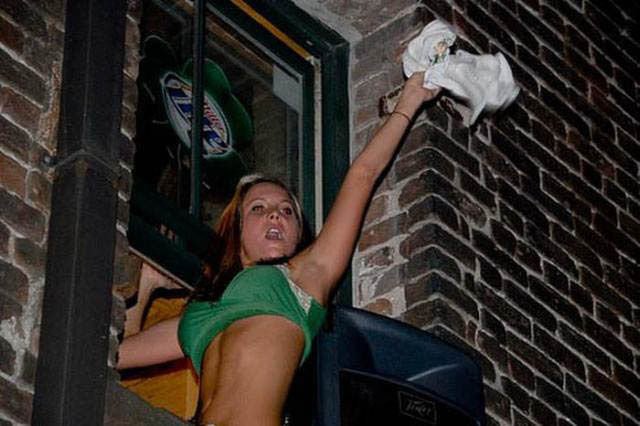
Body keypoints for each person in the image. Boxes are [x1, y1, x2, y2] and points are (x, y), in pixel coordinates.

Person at [117, 72, 439, 425]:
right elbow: (119, 355)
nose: (275, 214)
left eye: (287, 211)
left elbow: (363, 175)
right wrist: (146, 287)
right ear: (237, 228)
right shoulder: (197, 317)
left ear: (298, 234)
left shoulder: (305, 277)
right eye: (258, 208)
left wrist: (408, 102)